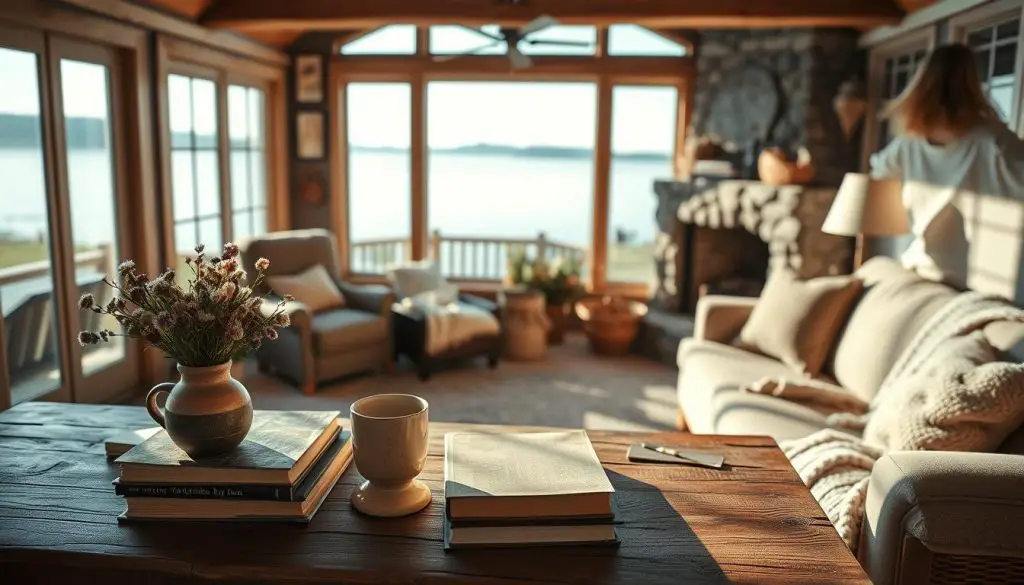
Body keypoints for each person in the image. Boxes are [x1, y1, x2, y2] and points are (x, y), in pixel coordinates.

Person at [870, 43, 1024, 288]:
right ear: (972, 81)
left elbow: (877, 171)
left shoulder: (907, 144)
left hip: (924, 271)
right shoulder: (993, 140)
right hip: (978, 280)